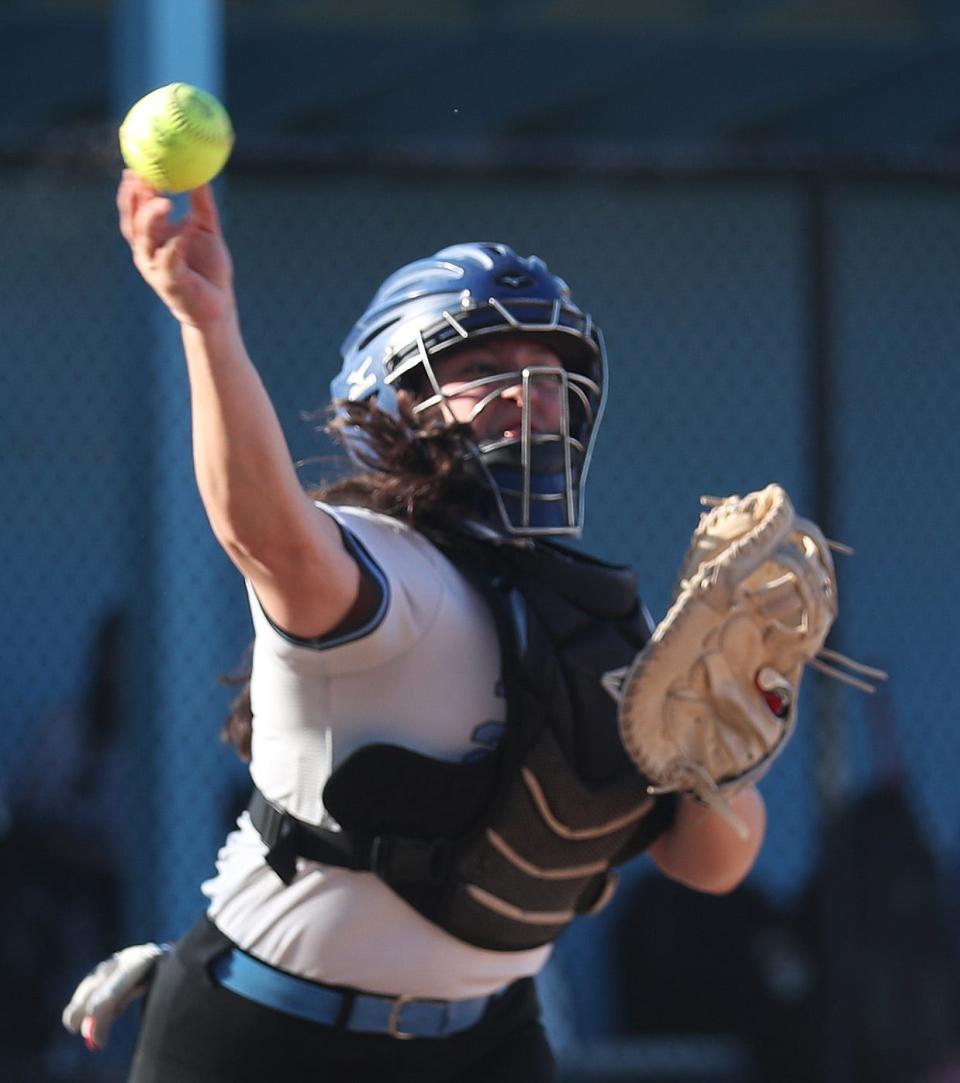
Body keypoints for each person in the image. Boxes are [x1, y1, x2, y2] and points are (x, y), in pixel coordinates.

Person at [63, 171, 766, 1083]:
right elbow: (264, 532)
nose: (528, 392)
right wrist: (209, 327)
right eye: (482, 369)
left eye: (547, 374)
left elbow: (708, 865)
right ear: (388, 398)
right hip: (268, 1037)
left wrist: (727, 752)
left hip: (485, 1044)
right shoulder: (383, 559)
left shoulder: (606, 616)